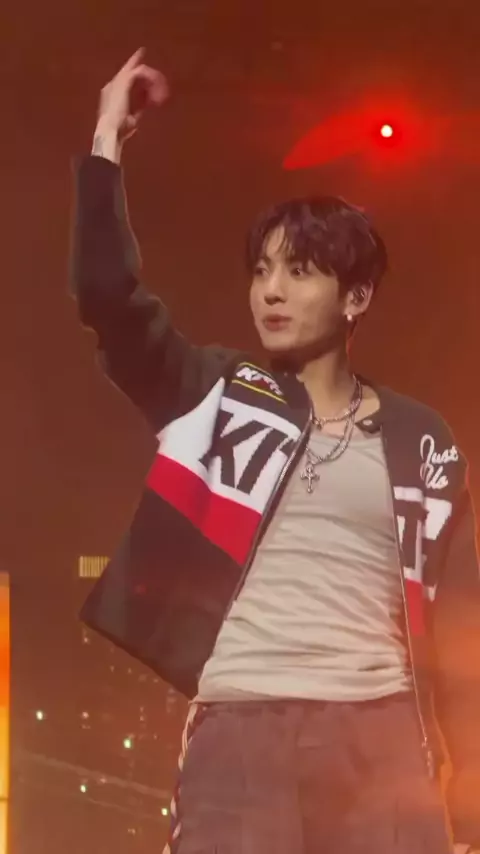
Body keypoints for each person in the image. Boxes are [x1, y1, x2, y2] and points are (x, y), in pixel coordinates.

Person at [71, 50, 480, 854]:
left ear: (356, 296)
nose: (271, 290)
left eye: (299, 271)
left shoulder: (419, 437)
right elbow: (108, 298)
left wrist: (468, 794)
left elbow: (465, 620)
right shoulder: (215, 392)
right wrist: (106, 140)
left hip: (380, 741)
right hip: (240, 733)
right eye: (261, 271)